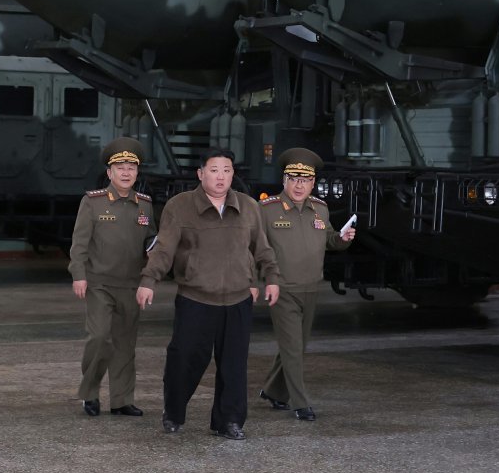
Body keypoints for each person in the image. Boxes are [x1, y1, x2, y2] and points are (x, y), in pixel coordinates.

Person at [136, 148, 280, 440]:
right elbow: (164, 248)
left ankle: (229, 421)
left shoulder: (249, 207)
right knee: (184, 360)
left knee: (234, 366)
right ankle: (174, 412)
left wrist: (272, 277)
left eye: (226, 170)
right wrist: (149, 279)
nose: (221, 177)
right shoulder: (180, 206)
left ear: (233, 175)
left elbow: (261, 247)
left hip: (238, 299)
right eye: (214, 170)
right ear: (201, 174)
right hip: (196, 299)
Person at [257, 148, 355, 421]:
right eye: (294, 178)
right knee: (292, 348)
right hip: (282, 289)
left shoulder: (320, 209)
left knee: (296, 347)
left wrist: (344, 238)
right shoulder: (266, 209)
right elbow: (252, 247)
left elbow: (330, 240)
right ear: (284, 180)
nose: (299, 185)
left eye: (305, 180)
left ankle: (273, 391)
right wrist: (257, 280)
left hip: (312, 287)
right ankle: (300, 403)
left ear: (312, 183)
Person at [69, 137, 157, 418]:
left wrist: (152, 277)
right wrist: (78, 275)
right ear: (109, 172)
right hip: (99, 284)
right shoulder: (92, 203)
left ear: (137, 172)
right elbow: (79, 243)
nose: (126, 172)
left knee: (125, 345)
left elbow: (152, 243)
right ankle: (90, 394)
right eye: (120, 166)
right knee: (99, 338)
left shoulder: (144, 205)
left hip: (131, 284)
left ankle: (121, 400)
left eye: (132, 166)